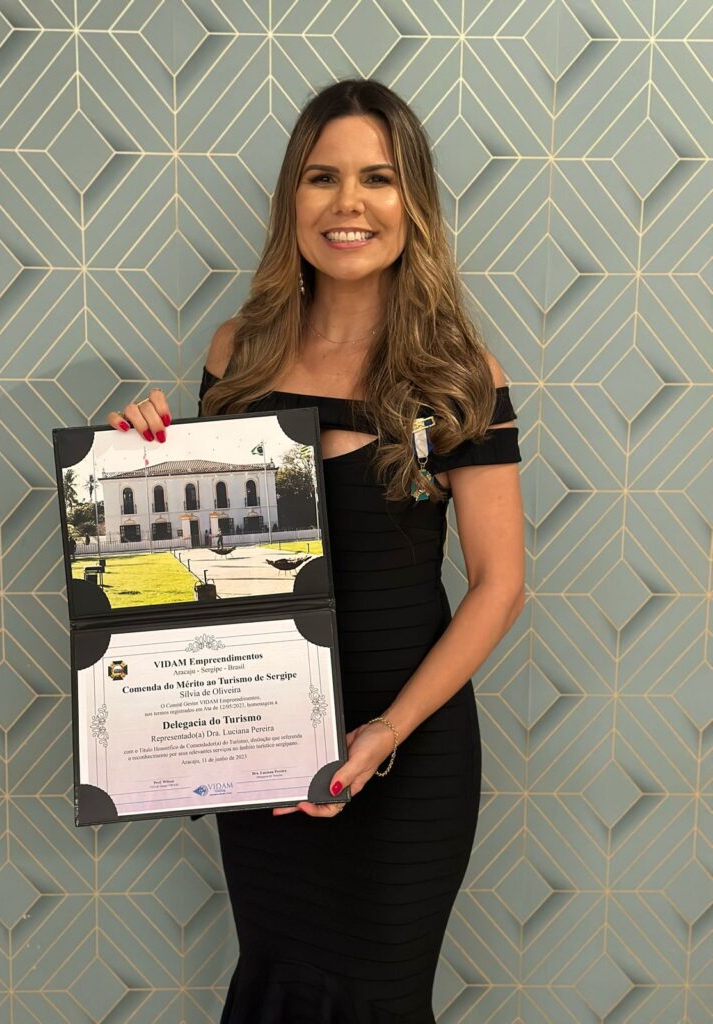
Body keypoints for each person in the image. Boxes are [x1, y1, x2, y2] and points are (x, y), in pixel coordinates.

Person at [107, 78, 524, 1024]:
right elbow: (207, 565)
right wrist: (140, 465)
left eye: (378, 178)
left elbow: (500, 586)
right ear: (291, 198)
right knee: (277, 988)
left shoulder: (460, 374)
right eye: (322, 176)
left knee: (376, 998)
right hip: (262, 744)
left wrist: (383, 735)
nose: (349, 203)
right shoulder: (237, 356)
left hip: (407, 748)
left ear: (413, 202)